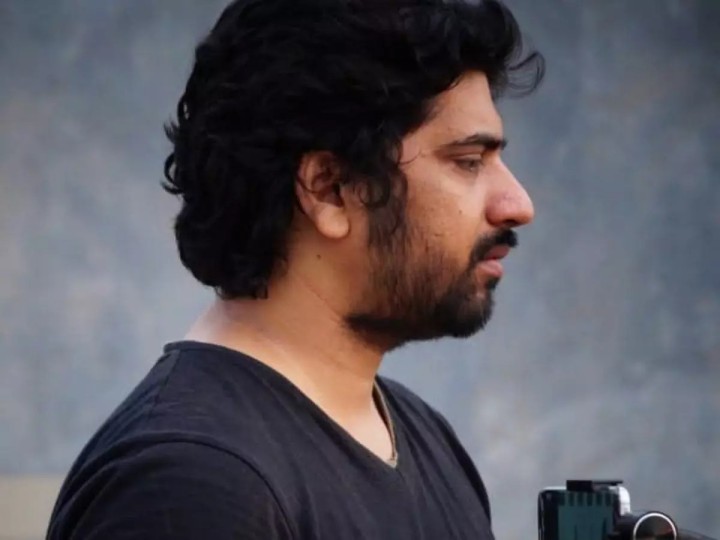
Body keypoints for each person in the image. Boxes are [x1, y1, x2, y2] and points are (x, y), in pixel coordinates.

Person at [47, 0, 543, 538]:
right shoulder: (195, 484)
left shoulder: (426, 439)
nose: (518, 204)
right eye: (468, 162)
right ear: (329, 189)